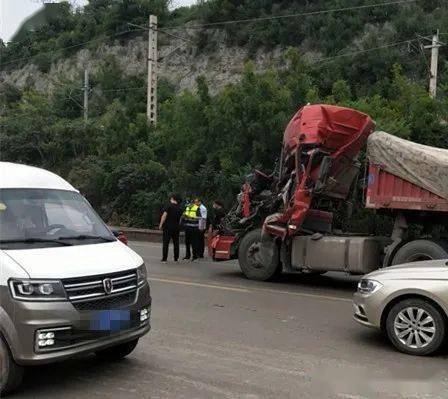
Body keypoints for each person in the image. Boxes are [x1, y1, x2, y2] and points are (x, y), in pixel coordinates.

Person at [159, 195, 183, 263]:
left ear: (173, 199)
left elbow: (164, 216)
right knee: (176, 243)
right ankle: (176, 258)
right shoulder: (180, 208)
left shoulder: (168, 206)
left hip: (168, 227)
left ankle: (164, 259)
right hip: (176, 228)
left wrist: (161, 225)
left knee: (166, 243)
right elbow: (180, 219)